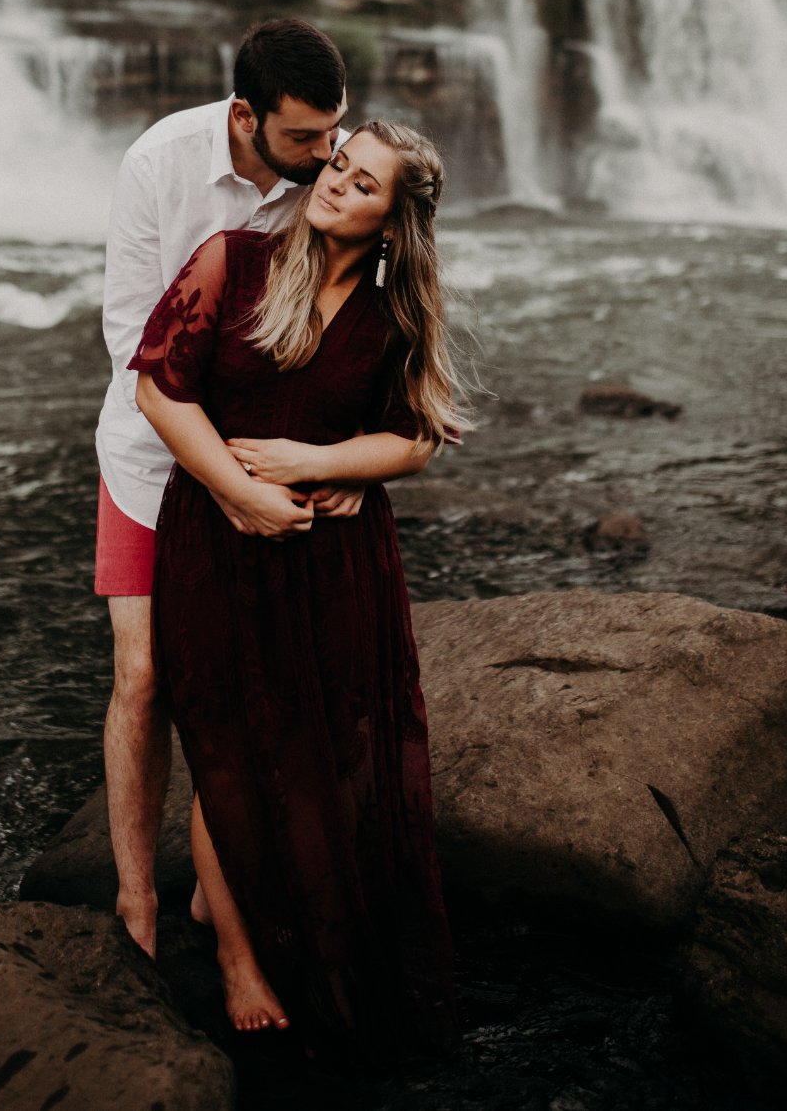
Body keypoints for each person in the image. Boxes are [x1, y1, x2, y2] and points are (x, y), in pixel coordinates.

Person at [132, 121, 461, 1051]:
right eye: (340, 165)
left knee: (331, 747)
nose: (337, 184)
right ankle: (237, 959)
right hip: (218, 543)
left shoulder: (395, 315)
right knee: (230, 749)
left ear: (393, 224)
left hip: (332, 562)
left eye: (363, 186)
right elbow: (160, 389)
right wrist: (242, 493)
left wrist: (334, 463)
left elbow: (416, 437)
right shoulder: (232, 260)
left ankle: (322, 923)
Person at [96, 20, 355, 957]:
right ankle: (134, 903)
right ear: (244, 115)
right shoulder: (159, 161)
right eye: (303, 139)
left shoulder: (323, 182)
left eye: (334, 134)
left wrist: (332, 462)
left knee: (235, 686)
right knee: (145, 675)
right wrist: (229, 480)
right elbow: (132, 344)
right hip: (146, 451)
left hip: (264, 454)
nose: (324, 157)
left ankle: (221, 894)